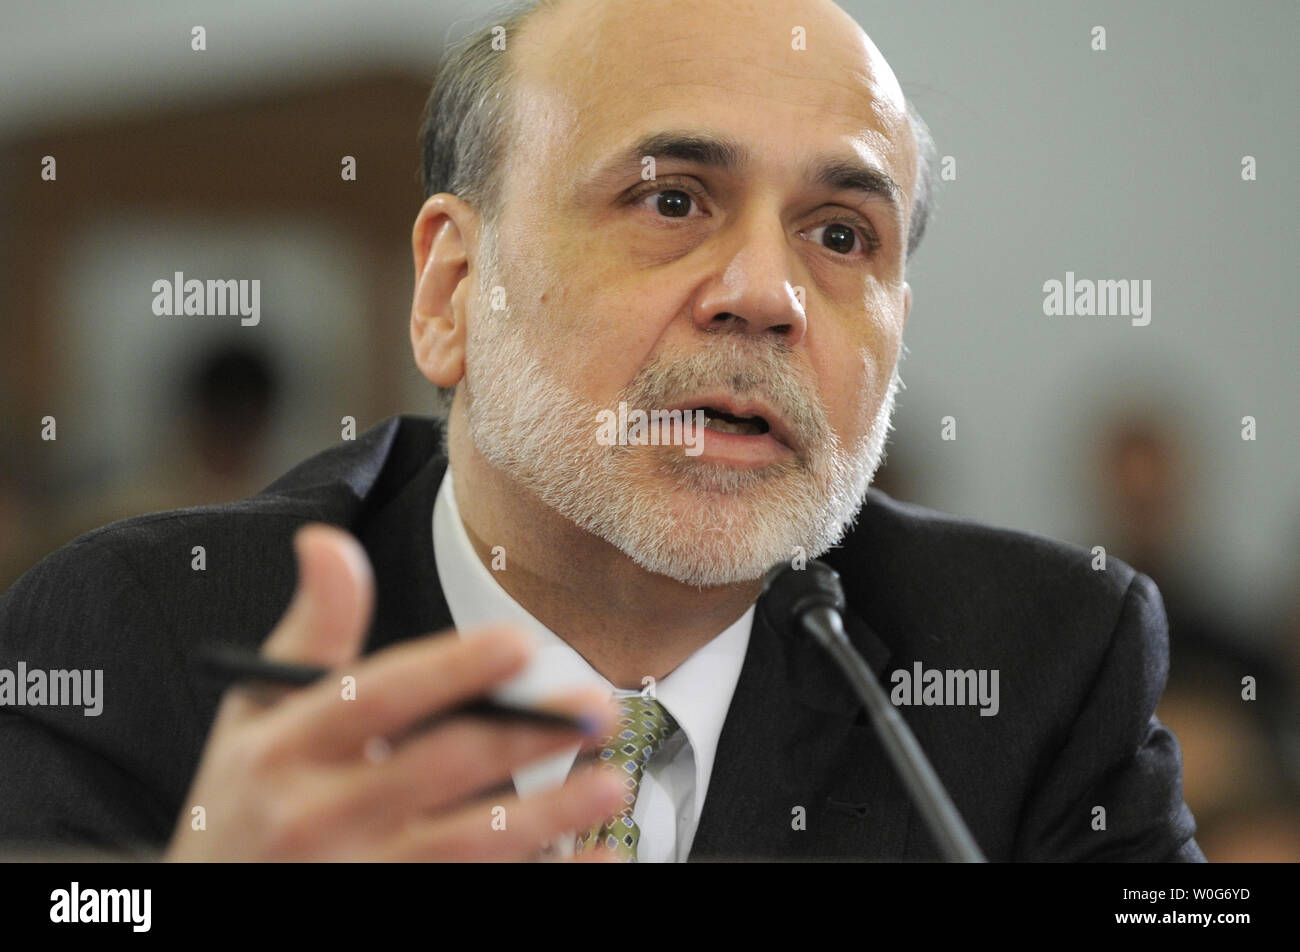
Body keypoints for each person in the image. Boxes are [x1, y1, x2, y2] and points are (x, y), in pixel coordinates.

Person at [0, 0, 1203, 862]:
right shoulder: (139, 632)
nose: (768, 295)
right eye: (670, 199)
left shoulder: (1041, 664)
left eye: (840, 235)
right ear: (451, 292)